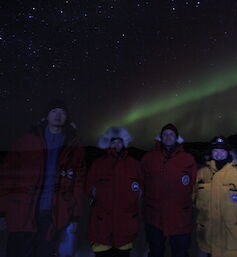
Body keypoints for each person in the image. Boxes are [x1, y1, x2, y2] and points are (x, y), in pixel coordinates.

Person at [1, 100, 86, 257]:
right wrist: (2, 211)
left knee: (45, 251)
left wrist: (75, 215)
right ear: (46, 115)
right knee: (18, 251)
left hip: (53, 211)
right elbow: (7, 176)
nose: (58, 115)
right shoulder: (26, 141)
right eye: (54, 111)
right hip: (23, 208)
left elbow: (78, 182)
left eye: (62, 112)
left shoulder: (74, 145)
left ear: (67, 117)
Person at [193, 136, 237, 257]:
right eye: (215, 151)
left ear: (228, 153)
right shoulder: (202, 173)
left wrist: (235, 204)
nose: (219, 154)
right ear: (211, 153)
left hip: (232, 238)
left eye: (222, 151)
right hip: (207, 237)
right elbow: (193, 194)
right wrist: (198, 202)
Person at [141, 123, 197, 257]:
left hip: (180, 216)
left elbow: (194, 184)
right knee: (156, 251)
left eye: (171, 134)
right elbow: (140, 180)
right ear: (160, 137)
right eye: (165, 134)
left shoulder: (187, 159)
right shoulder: (149, 158)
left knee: (180, 252)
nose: (168, 137)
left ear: (176, 138)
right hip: (155, 216)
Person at [86, 126, 142, 257]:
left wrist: (136, 195)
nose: (116, 145)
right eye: (113, 141)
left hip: (126, 222)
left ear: (124, 143)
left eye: (119, 141)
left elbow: (141, 185)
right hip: (102, 223)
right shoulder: (98, 164)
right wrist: (95, 193)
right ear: (108, 143)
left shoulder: (133, 164)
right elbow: (87, 186)